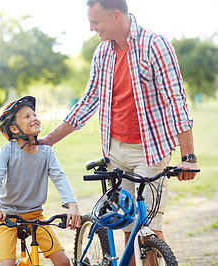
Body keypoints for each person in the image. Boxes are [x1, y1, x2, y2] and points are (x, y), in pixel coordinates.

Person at [39, 0, 198, 256]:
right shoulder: (102, 52)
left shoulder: (155, 45)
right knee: (126, 227)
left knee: (149, 228)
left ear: (115, 15)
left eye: (95, 21)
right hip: (115, 151)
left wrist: (188, 157)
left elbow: (175, 100)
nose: (91, 28)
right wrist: (50, 139)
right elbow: (89, 101)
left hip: (150, 150)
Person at [0, 96, 81, 266]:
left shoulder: (46, 152)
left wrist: (72, 205)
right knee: (6, 264)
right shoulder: (7, 151)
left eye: (34, 114)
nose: (34, 118)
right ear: (14, 129)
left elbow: (59, 177)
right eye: (27, 116)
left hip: (36, 215)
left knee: (63, 262)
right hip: (7, 216)